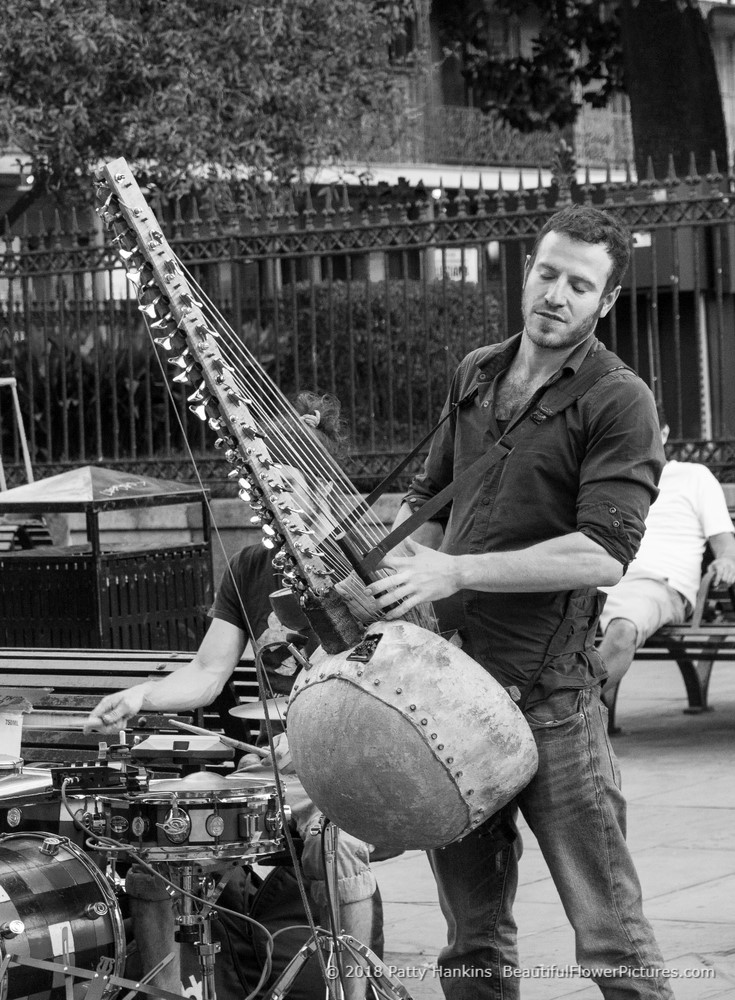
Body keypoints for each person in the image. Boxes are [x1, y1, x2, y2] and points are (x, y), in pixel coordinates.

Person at [365, 205, 674, 999]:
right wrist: (400, 560)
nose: (555, 295)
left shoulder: (619, 399)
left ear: (603, 303)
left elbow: (601, 551)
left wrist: (454, 572)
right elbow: (426, 495)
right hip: (452, 695)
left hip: (553, 699)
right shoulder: (475, 371)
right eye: (547, 273)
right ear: (525, 271)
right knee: (470, 941)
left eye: (579, 285)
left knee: (611, 939)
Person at [85, 392, 379, 1000]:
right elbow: (207, 673)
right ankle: (167, 991)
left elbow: (388, 689)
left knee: (338, 846)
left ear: (323, 488)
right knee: (155, 844)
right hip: (273, 764)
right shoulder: (250, 565)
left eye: (288, 482)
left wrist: (314, 747)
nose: (273, 497)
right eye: (264, 481)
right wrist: (140, 695)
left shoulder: (362, 562)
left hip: (350, 763)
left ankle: (354, 992)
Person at [598, 404, 735, 705]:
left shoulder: (694, 476)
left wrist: (726, 560)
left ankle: (570, 714)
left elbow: (724, 541)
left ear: (664, 433)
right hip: (597, 579)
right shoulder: (609, 481)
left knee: (622, 630)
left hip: (660, 585)